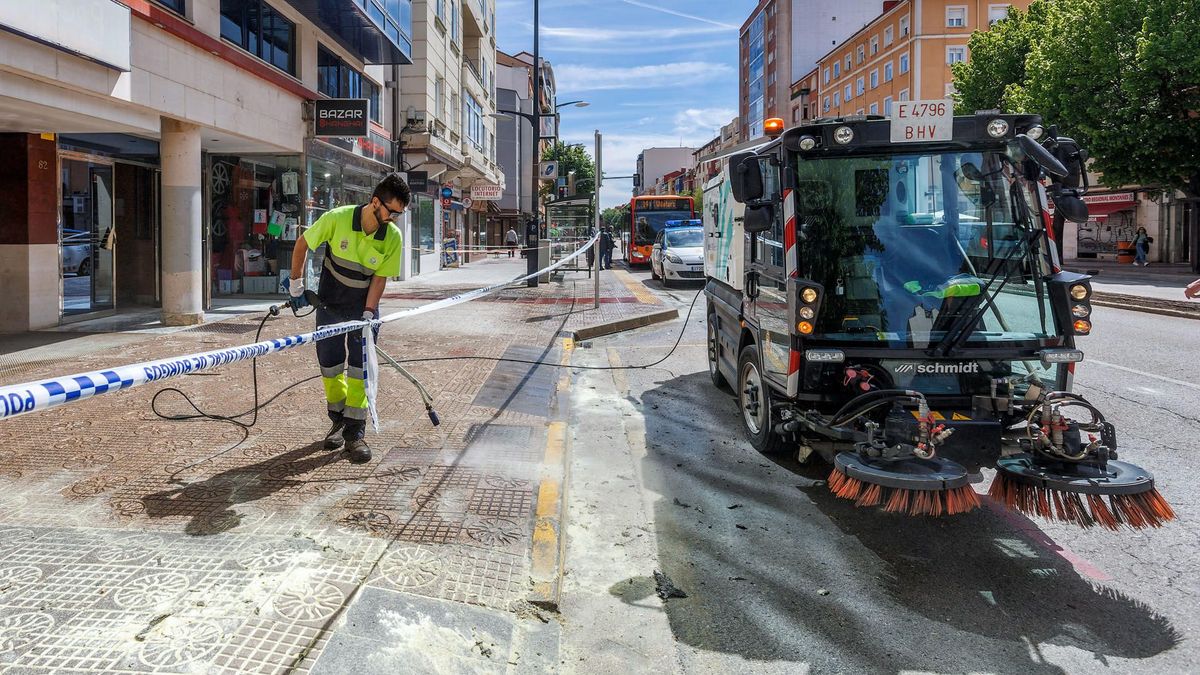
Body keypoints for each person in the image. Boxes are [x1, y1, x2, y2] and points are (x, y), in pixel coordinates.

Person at [287, 173, 409, 464]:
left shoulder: (392, 236)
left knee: (359, 369)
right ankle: (338, 422)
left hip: (362, 309)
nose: (394, 218)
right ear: (375, 202)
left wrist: (368, 314)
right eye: (391, 211)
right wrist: (296, 285)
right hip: (329, 305)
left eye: (399, 214)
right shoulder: (337, 218)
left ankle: (355, 434)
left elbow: (380, 278)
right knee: (330, 366)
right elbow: (303, 244)